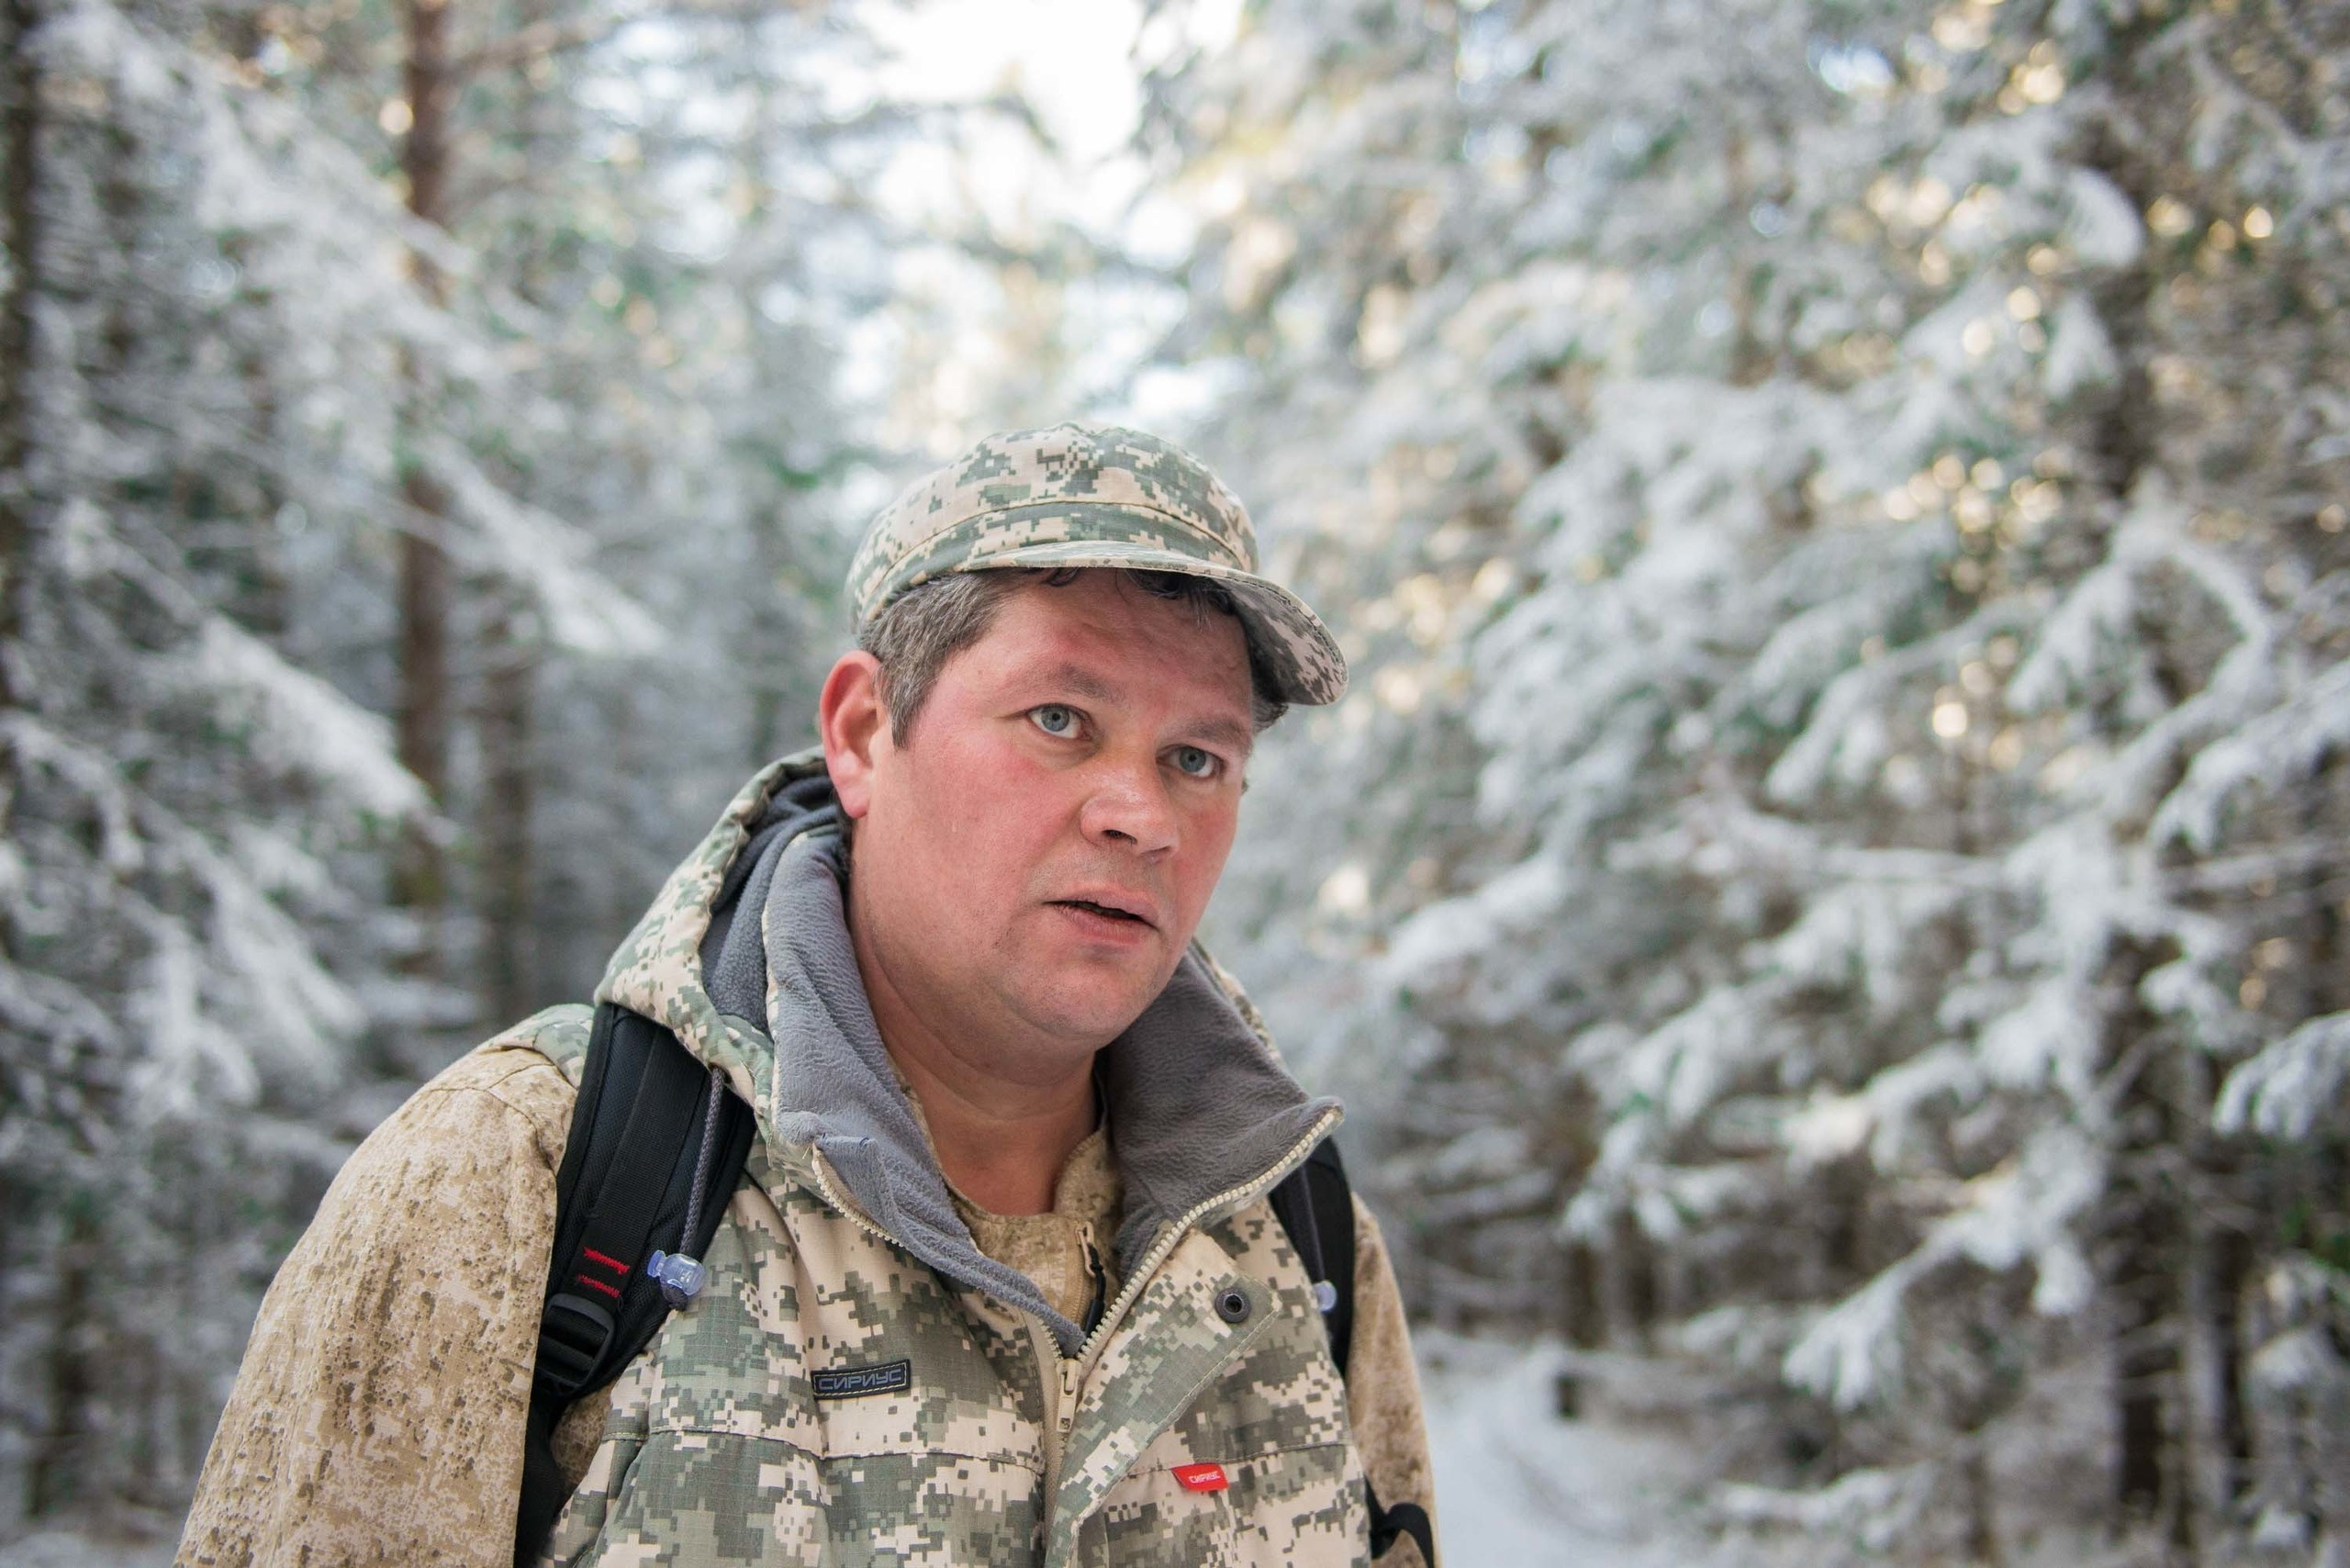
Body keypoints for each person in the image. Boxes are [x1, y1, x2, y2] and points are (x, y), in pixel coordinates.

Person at [176, 424, 1438, 1567]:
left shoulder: (1294, 1238)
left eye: (1198, 758)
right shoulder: (519, 1178)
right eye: (1060, 718)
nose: (1141, 815)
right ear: (859, 733)